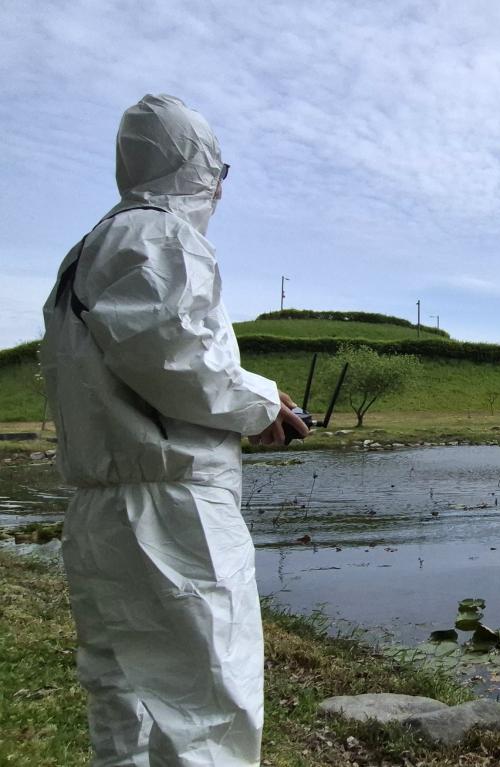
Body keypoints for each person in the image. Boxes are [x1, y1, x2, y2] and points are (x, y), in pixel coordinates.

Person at [41, 93, 307, 766]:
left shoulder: (87, 250)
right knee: (208, 719)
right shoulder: (160, 235)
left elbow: (144, 364)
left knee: (122, 706)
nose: (221, 189)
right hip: (172, 516)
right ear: (199, 167)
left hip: (103, 512)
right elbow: (178, 357)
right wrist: (263, 403)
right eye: (220, 171)